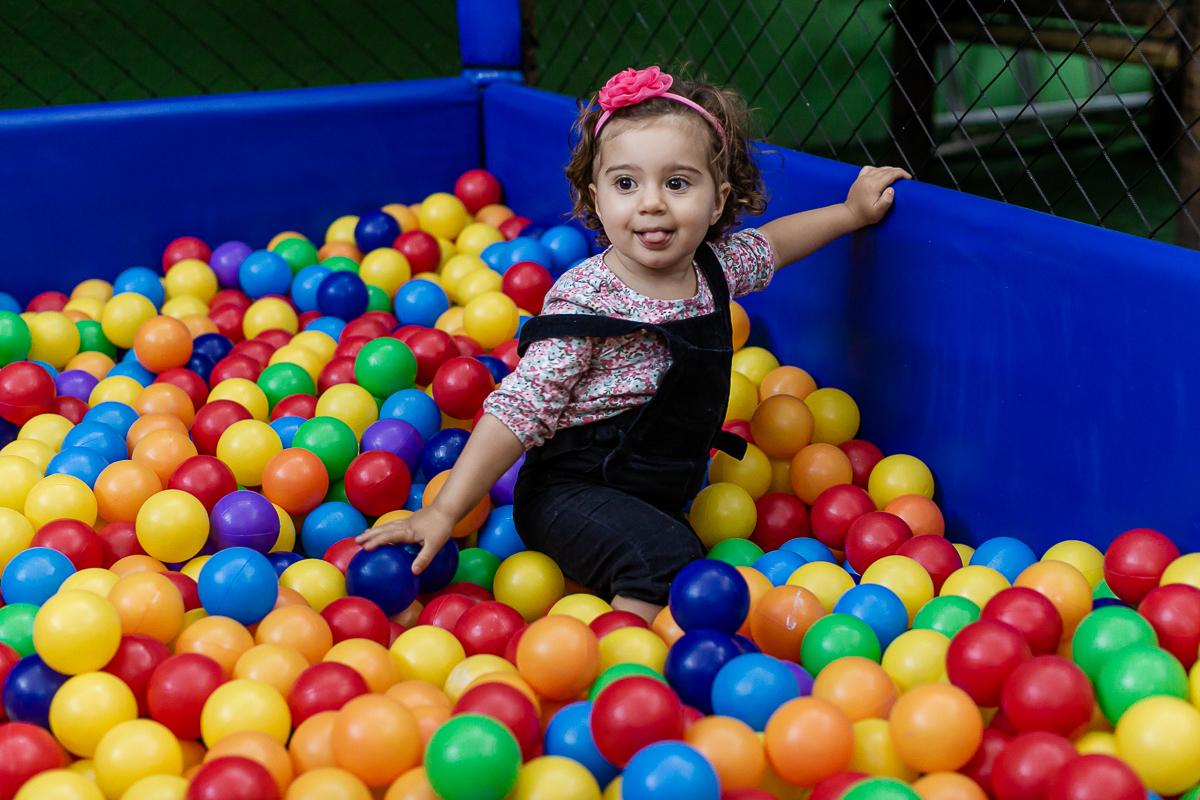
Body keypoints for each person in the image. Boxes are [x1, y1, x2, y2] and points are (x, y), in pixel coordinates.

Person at [358, 65, 909, 623]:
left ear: (717, 201)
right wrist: (446, 511)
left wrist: (850, 213)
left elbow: (775, 245)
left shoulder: (713, 271)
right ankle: (619, 660)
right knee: (666, 558)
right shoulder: (588, 298)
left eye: (677, 183)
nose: (651, 203)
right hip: (568, 491)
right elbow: (520, 408)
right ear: (595, 199)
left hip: (656, 491)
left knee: (668, 542)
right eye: (626, 184)